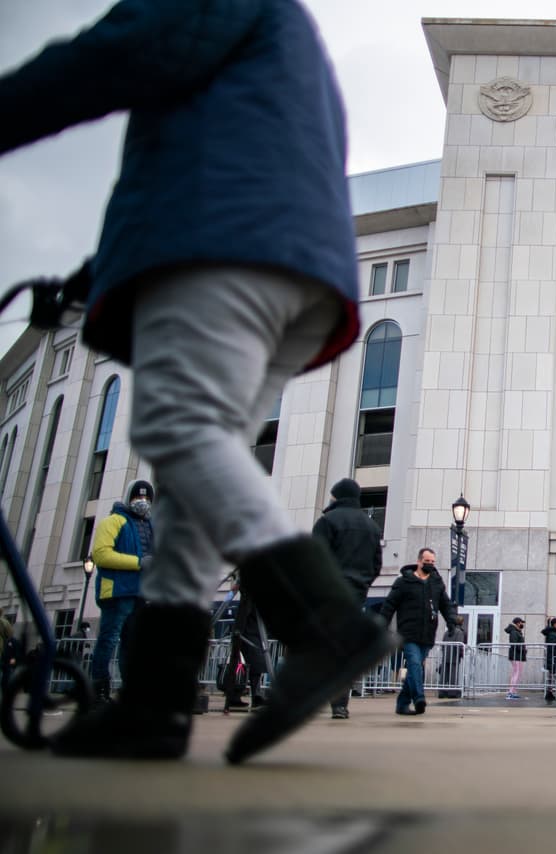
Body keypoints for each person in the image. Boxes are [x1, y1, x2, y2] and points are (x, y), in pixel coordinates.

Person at [4, 0, 391, 764]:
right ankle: (155, 701)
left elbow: (122, 51)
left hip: (225, 241)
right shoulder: (282, 32)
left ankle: (326, 625)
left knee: (178, 431)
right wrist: (92, 275)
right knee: (188, 485)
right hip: (290, 259)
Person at [312, 478, 383, 719]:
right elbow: (376, 565)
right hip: (355, 593)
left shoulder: (327, 521)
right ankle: (339, 703)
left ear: (336, 496)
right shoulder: (371, 526)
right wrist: (362, 584)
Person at [86, 479, 154, 706]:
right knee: (108, 640)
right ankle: (99, 688)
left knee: (132, 644)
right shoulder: (113, 522)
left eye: (146, 498)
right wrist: (138, 562)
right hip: (117, 592)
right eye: (138, 497)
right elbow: (101, 554)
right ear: (129, 498)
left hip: (140, 593)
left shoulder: (150, 525)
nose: (142, 502)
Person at [380, 548, 458, 715]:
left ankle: (402, 704)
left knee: (416, 668)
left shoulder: (436, 582)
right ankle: (419, 698)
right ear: (419, 561)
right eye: (426, 562)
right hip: (408, 633)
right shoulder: (403, 582)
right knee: (414, 664)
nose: (430, 564)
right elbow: (389, 605)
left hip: (427, 634)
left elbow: (445, 604)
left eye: (432, 562)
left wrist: (452, 621)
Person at [222, 586, 268, 713]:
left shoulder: (249, 600)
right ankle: (245, 696)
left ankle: (238, 696)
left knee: (249, 668)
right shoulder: (249, 599)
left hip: (250, 635)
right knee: (247, 668)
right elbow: (243, 617)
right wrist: (238, 633)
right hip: (248, 636)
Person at [437, 618, 465, 699]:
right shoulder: (459, 632)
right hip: (454, 656)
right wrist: (461, 654)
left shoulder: (446, 632)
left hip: (446, 656)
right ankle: (452, 692)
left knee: (444, 675)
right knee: (453, 675)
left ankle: (441, 692)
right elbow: (459, 645)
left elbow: (443, 645)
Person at [504, 617, 527, 700]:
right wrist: (523, 649)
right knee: (516, 673)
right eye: (521, 623)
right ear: (517, 623)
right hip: (516, 655)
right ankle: (511, 692)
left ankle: (512, 691)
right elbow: (514, 644)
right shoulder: (514, 632)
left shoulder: (516, 631)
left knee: (516, 673)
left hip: (517, 655)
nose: (522, 624)